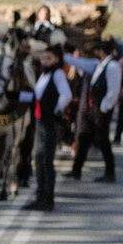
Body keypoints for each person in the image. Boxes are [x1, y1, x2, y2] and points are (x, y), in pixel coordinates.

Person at [20, 41, 73, 212]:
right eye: (43, 58)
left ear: (57, 59)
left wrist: (56, 110)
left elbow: (66, 95)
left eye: (48, 58)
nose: (44, 61)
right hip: (40, 121)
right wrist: (15, 96)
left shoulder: (57, 74)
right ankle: (40, 195)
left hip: (48, 122)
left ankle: (47, 198)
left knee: (46, 160)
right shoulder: (44, 75)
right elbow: (37, 96)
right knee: (39, 158)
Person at [68, 38, 120, 182]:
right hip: (91, 110)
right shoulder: (100, 65)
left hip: (100, 110)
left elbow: (113, 90)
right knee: (83, 137)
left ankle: (110, 172)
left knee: (103, 141)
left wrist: (104, 107)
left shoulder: (112, 66)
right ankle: (76, 170)